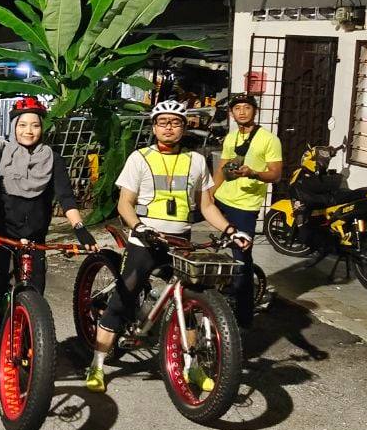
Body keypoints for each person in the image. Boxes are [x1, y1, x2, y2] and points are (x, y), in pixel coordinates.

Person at [84, 99, 252, 393]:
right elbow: (125, 203)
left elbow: (206, 205)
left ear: (184, 127)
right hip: (145, 239)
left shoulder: (196, 160)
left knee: (189, 303)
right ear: (154, 127)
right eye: (163, 122)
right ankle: (97, 365)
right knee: (124, 296)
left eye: (175, 122)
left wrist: (230, 230)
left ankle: (192, 366)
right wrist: (139, 227)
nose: (169, 128)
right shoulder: (139, 158)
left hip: (180, 241)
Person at [0, 97, 93, 371]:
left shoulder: (53, 159)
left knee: (35, 297)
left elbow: (66, 198)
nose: (28, 131)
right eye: (22, 125)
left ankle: (31, 353)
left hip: (35, 240)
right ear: (14, 127)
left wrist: (80, 229)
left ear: (42, 128)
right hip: (2, 236)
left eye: (35, 125)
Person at [212, 92, 282, 327]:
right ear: (232, 113)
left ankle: (244, 316)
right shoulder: (231, 137)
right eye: (237, 108)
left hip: (245, 205)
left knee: (241, 256)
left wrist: (253, 173)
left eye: (246, 107)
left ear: (255, 111)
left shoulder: (269, 139)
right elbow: (222, 169)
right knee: (208, 246)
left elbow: (275, 174)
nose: (242, 112)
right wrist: (208, 196)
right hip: (222, 199)